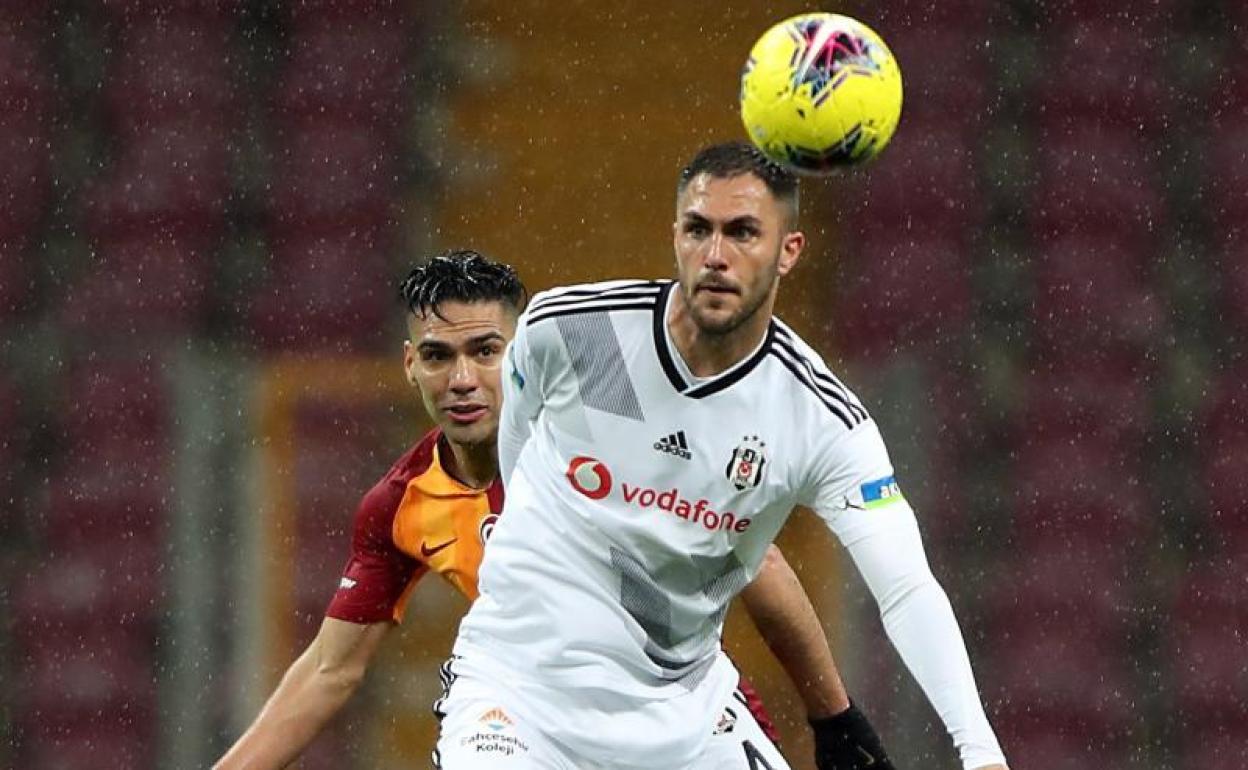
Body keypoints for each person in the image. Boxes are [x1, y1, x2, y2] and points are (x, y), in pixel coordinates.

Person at [438, 143, 1011, 770]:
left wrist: (979, 751)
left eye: (742, 232)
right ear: (675, 236)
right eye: (698, 229)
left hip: (682, 715)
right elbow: (515, 460)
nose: (715, 256)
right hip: (520, 698)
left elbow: (904, 588)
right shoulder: (575, 331)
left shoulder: (818, 421)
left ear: (789, 251)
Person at [214, 251, 892, 770]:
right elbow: (332, 669)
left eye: (485, 352)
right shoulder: (402, 502)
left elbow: (756, 562)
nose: (461, 380)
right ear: (408, 365)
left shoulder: (614, 438)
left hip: (675, 705)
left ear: (527, 348)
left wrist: (833, 715)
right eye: (438, 356)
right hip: (530, 714)